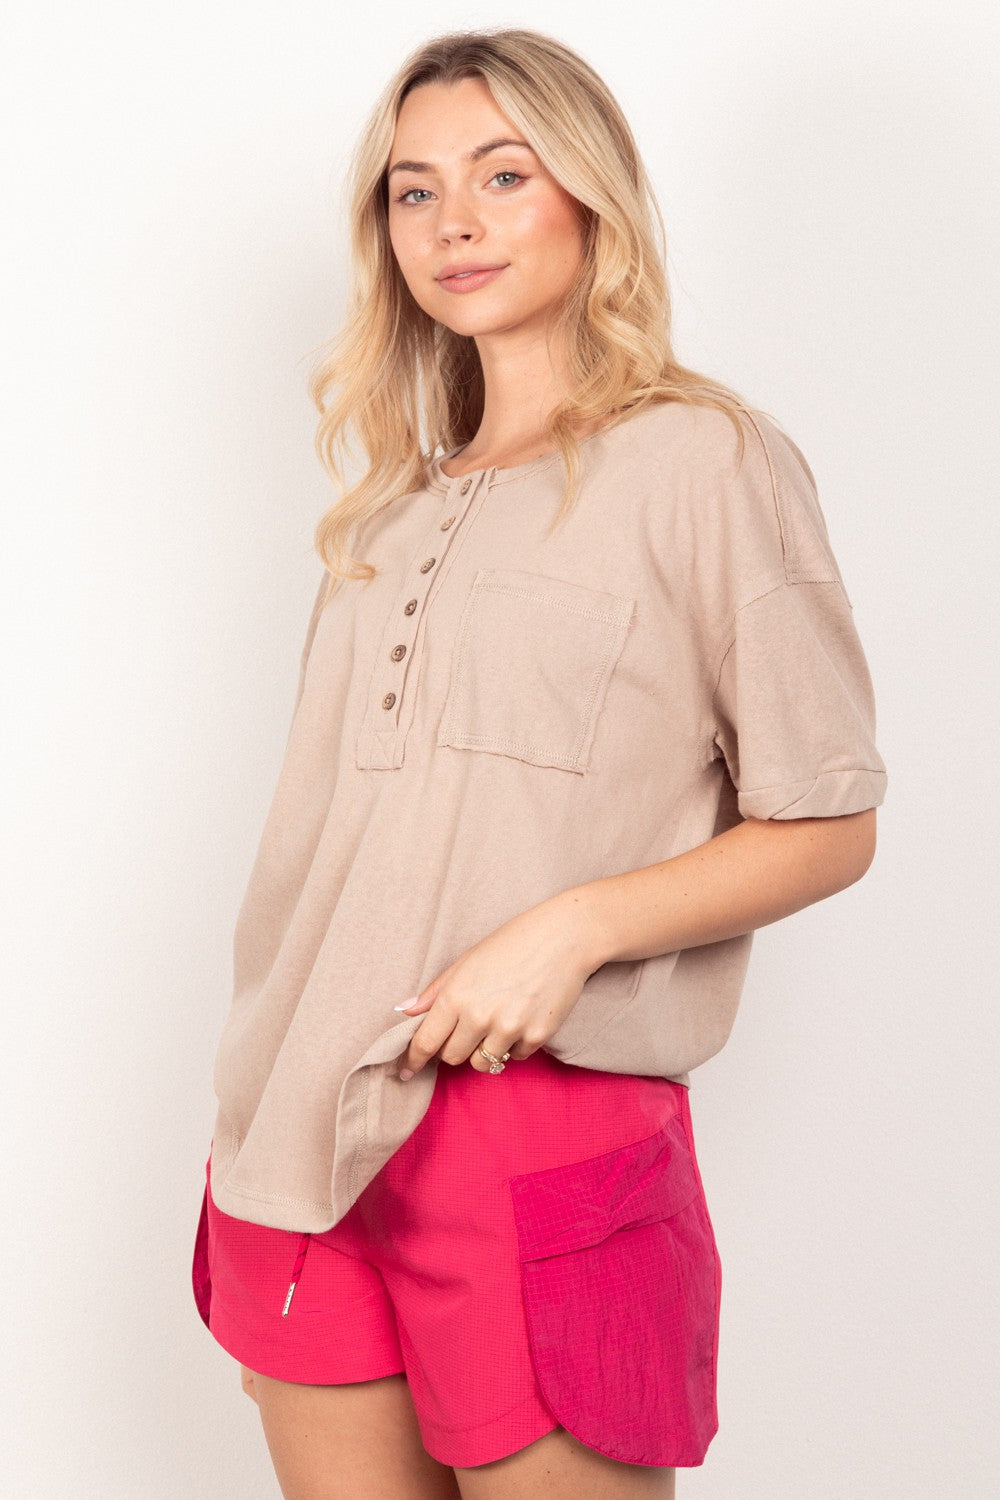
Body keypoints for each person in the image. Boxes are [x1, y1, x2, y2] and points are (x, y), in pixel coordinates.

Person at [190, 26, 888, 1500]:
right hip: (296, 1140)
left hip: (538, 1134)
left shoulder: (705, 462)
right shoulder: (382, 519)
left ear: (591, 194)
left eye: (504, 175)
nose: (453, 223)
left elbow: (825, 820)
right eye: (414, 190)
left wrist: (567, 931)